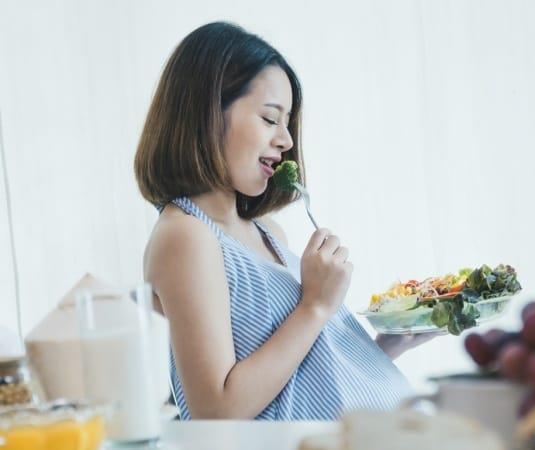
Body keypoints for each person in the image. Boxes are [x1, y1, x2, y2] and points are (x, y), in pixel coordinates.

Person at [134, 21, 433, 420]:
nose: (287, 141)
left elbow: (300, 380)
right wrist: (314, 307)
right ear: (207, 113)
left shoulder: (267, 233)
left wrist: (384, 347)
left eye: (287, 123)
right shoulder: (185, 236)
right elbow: (216, 410)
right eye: (270, 118)